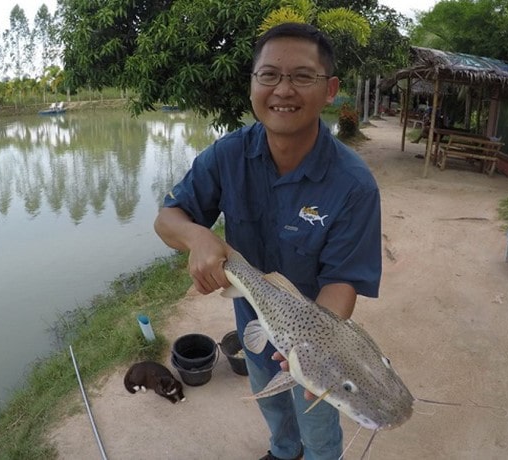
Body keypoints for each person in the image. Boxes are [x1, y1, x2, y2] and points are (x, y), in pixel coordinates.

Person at [153, 22, 382, 460]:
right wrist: (197, 236)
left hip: (314, 343)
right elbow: (167, 218)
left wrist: (310, 348)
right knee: (272, 406)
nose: (283, 90)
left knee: (317, 422)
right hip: (252, 322)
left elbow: (344, 281)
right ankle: (282, 452)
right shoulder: (228, 155)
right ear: (253, 83)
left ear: (330, 89)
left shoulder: (354, 186)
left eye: (302, 76)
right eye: (270, 75)